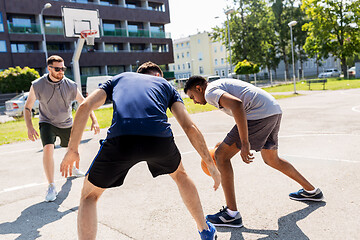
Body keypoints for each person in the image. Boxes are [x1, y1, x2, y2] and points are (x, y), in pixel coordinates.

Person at [60, 62, 221, 240]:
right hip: (158, 139)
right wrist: (211, 165)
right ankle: (204, 230)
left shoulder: (119, 78)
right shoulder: (165, 85)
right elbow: (189, 126)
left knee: (89, 196)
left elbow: (84, 107)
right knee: (180, 175)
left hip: (121, 139)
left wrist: (72, 150)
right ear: (158, 76)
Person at [184, 76, 323, 228]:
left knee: (221, 157)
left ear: (199, 88)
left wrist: (244, 142)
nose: (194, 101)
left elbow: (237, 105)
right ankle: (312, 191)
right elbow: (240, 110)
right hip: (272, 110)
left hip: (259, 114)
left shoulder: (210, 92)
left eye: (192, 97)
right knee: (272, 159)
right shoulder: (217, 85)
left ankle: (231, 214)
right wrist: (227, 143)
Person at [24, 55, 100, 202]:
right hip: (46, 122)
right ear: (49, 68)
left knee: (72, 148)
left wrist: (94, 121)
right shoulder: (37, 85)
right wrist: (29, 127)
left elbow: (84, 104)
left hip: (66, 122)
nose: (61, 72)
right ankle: (51, 185)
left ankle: (73, 169)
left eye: (63, 68)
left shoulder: (70, 85)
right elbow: (27, 107)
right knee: (48, 148)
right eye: (57, 69)